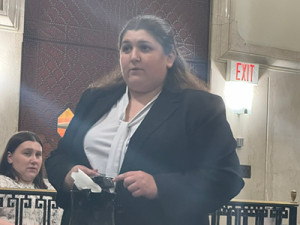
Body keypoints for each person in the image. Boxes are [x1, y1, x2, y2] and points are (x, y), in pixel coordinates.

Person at [45, 15, 244, 225]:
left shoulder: (199, 107)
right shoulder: (94, 99)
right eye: (126, 48)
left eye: (145, 48)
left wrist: (158, 186)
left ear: (169, 57)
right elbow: (58, 157)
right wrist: (68, 175)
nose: (134, 56)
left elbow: (227, 178)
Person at [0, 131, 63, 225]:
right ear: (10, 157)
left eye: (38, 155)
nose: (34, 160)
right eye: (27, 153)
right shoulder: (2, 184)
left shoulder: (49, 189)